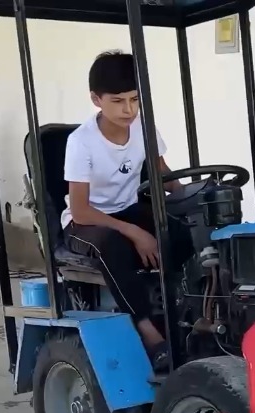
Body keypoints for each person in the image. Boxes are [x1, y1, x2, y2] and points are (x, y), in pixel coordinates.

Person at [61, 50, 192, 370]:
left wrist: (194, 197)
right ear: (96, 99)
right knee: (113, 245)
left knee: (180, 229)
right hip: (86, 221)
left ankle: (188, 313)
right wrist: (133, 232)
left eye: (135, 99)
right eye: (118, 100)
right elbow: (80, 210)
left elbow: (164, 174)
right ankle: (148, 332)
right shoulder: (81, 142)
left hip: (127, 208)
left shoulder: (143, 128)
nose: (129, 109)